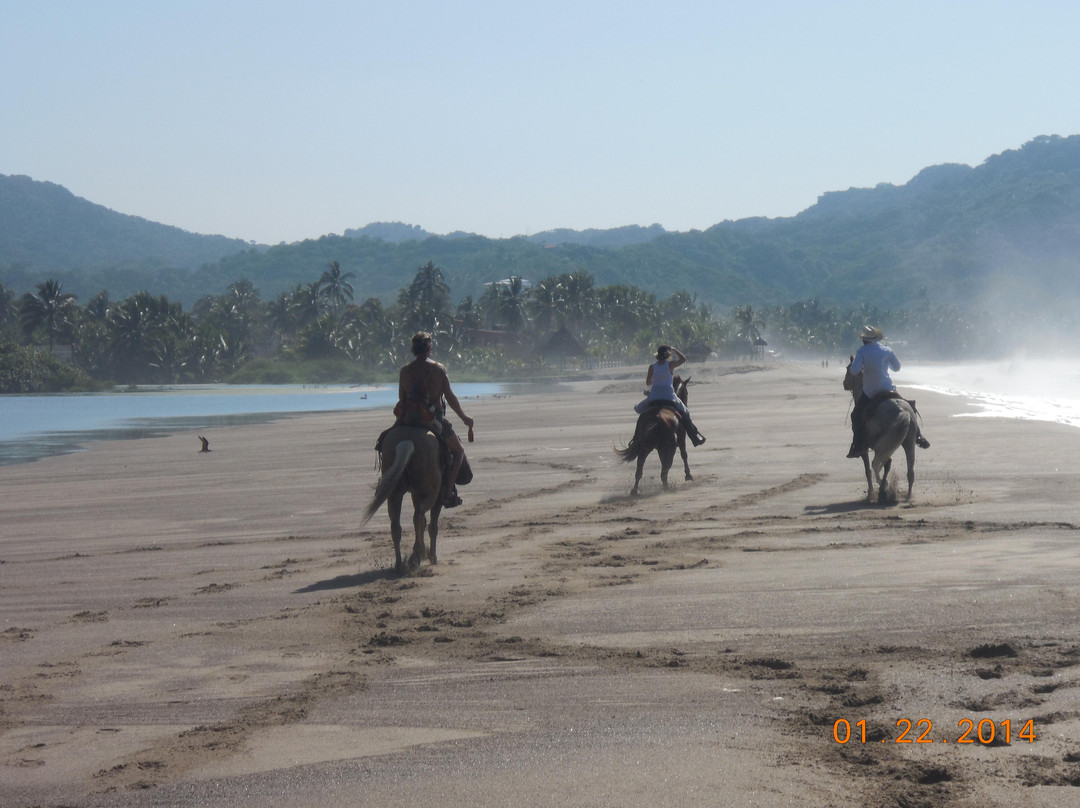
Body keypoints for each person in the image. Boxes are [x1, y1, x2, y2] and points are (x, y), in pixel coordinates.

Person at [396, 332, 475, 507]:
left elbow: (402, 399)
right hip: (432, 420)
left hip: (408, 419)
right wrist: (465, 418)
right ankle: (447, 493)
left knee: (386, 441)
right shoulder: (438, 370)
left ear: (413, 349)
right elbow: (451, 398)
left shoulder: (405, 371)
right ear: (429, 349)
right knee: (458, 451)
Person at [847, 325, 930, 458]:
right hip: (888, 389)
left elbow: (854, 371)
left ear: (864, 340)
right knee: (909, 407)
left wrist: (862, 366)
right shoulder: (887, 350)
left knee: (856, 415)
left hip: (871, 392)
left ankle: (858, 445)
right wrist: (884, 364)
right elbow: (897, 367)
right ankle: (918, 436)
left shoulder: (862, 351)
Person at [634, 345, 706, 447]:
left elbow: (648, 382)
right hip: (669, 396)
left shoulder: (652, 366)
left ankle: (635, 440)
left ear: (657, 355)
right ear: (667, 355)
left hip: (654, 396)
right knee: (685, 412)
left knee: (638, 409)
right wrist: (674, 349)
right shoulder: (670, 365)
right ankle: (694, 437)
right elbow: (683, 359)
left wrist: (657, 381)